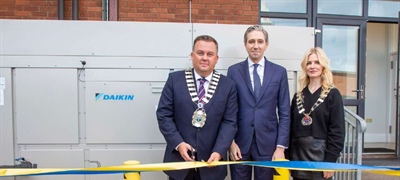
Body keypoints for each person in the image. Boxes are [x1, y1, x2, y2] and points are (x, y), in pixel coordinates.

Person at [156, 35, 238, 180]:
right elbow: (164, 115)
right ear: (192, 55)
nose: (204, 58)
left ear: (216, 59)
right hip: (179, 163)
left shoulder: (228, 85)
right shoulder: (175, 80)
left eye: (210, 54)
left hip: (212, 164)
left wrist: (219, 151)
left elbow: (230, 122)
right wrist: (178, 143)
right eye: (200, 53)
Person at [227, 25, 291, 180]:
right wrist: (231, 143)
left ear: (266, 45)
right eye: (251, 41)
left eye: (260, 41)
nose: (256, 46)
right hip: (240, 144)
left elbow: (284, 113)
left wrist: (280, 147)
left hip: (269, 144)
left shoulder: (279, 72)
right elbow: (229, 110)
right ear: (245, 44)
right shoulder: (233, 71)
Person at [288, 47, 345, 180]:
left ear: (323, 66)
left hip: (321, 158)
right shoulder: (298, 96)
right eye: (309, 63)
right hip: (298, 157)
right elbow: (291, 129)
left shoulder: (333, 94)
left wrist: (330, 162)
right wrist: (287, 157)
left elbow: (337, 131)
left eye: (317, 62)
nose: (312, 66)